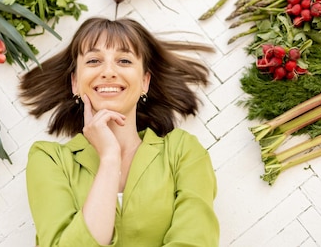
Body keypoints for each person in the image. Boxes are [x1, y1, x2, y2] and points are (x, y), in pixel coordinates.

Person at [19, 17, 220, 246]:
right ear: (75, 82)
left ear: (145, 81)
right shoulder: (49, 159)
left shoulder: (183, 151)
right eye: (94, 60)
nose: (108, 72)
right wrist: (109, 159)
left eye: (124, 60)